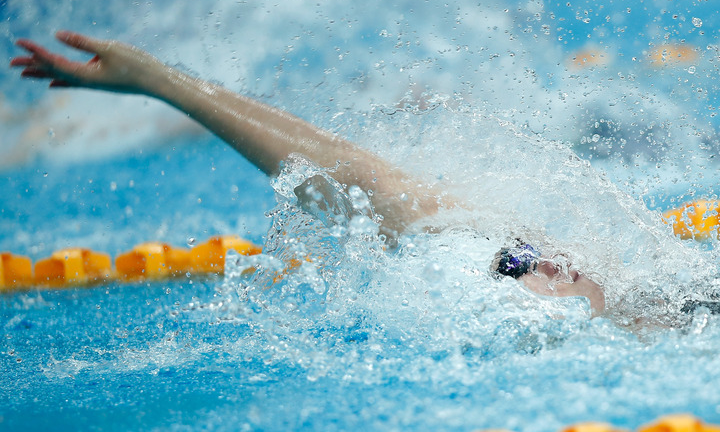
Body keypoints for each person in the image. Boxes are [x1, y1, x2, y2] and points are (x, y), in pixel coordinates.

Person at [5, 31, 640, 321]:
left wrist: (163, 83)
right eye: (520, 260)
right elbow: (353, 180)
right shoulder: (487, 277)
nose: (554, 263)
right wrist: (162, 82)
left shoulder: (572, 306)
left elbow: (363, 184)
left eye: (524, 261)